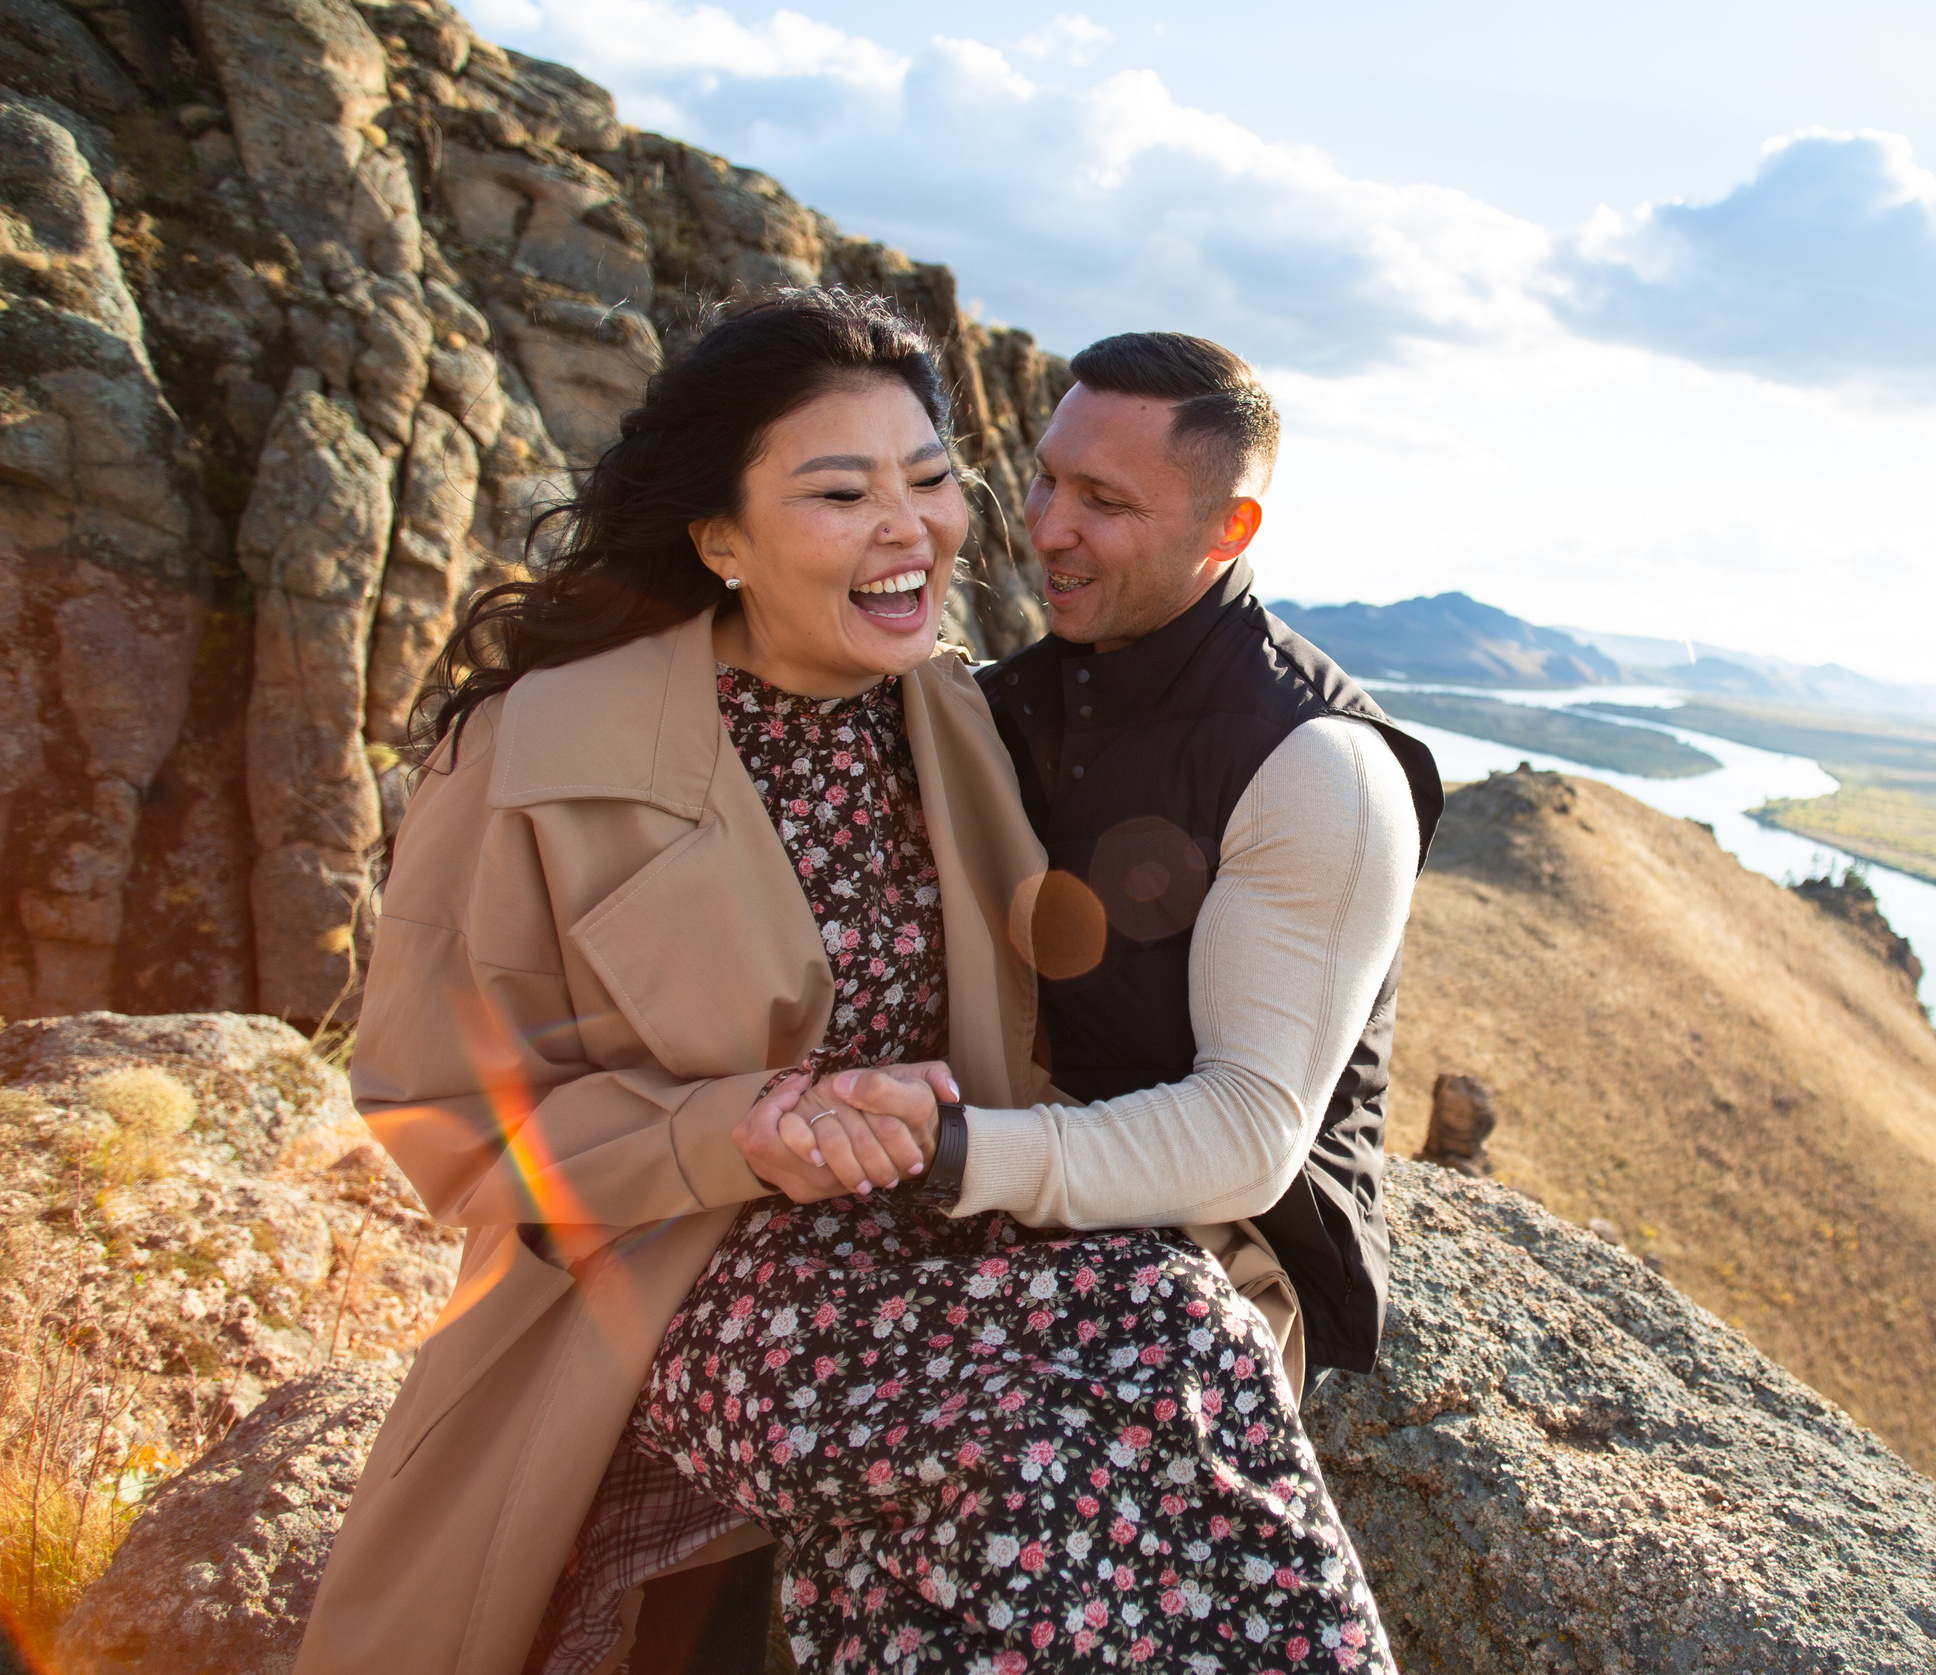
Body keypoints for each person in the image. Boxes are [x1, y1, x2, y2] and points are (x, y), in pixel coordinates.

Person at [296, 292, 1396, 1675]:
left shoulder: (957, 719)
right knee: (1022, 1448)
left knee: (1190, 1340)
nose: (916, 525)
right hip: (693, 1255)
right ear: (721, 539)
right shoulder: (536, 748)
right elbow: (439, 1108)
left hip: (942, 1212)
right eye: (842, 491)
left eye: (932, 479)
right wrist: (728, 1128)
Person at [979, 332, 1443, 1392]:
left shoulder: (1320, 762)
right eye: (1045, 478)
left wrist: (953, 1155)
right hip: (1006, 1173)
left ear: (1228, 528)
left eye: (1103, 499)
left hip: (1216, 1248)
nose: (1048, 526)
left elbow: (1244, 1135)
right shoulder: (1002, 704)